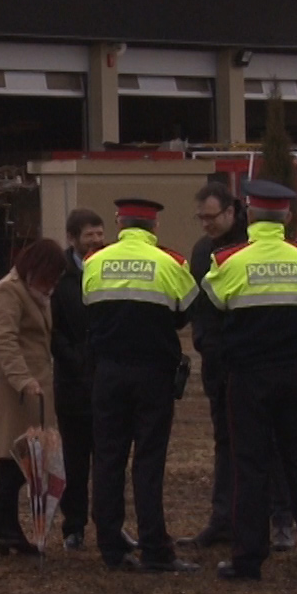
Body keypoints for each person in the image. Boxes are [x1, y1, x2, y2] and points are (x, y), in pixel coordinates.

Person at [203, 180, 297, 582]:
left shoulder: (228, 259)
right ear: (285, 217)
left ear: (249, 215)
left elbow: (216, 302)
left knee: (249, 465)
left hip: (250, 376)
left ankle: (248, 559)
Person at [82, 199, 200, 573]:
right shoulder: (173, 263)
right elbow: (186, 312)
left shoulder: (94, 262)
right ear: (154, 228)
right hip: (153, 374)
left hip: (108, 373)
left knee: (107, 458)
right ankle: (154, 548)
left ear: (119, 223)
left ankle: (110, 548)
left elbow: (89, 307)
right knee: (149, 461)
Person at [180, 180, 295, 553]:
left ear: (231, 212)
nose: (206, 225)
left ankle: (280, 520)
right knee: (225, 443)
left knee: (274, 442)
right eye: (201, 218)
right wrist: (206, 345)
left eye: (211, 217)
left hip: (257, 363)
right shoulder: (201, 251)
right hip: (219, 364)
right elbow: (200, 306)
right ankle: (223, 519)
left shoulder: (254, 248)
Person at [0, 238, 66, 557]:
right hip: (11, 388)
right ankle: (4, 524)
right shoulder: (8, 291)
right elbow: (5, 340)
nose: (53, 285)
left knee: (25, 457)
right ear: (35, 269)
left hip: (34, 387)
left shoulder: (36, 294)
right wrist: (22, 379)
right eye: (50, 277)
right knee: (17, 456)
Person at [50, 208, 109, 550]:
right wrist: (76, 360)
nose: (97, 240)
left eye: (100, 233)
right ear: (72, 238)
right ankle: (73, 526)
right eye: (90, 235)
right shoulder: (59, 276)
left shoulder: (112, 266)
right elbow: (53, 330)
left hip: (107, 380)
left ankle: (107, 523)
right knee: (75, 459)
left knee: (107, 458)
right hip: (72, 384)